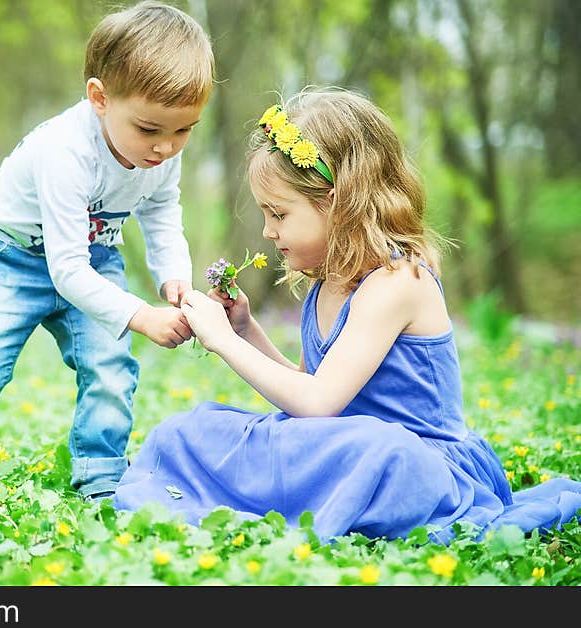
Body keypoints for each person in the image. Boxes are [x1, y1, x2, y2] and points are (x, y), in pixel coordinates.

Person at [113, 88, 581, 543]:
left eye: (278, 213)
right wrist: (246, 330)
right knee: (188, 431)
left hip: (419, 467)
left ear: (339, 201)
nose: (267, 230)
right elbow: (308, 387)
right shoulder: (327, 285)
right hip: (342, 448)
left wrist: (224, 341)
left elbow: (318, 404)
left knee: (377, 447)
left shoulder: (398, 282)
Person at [0, 1, 215, 501]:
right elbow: (65, 270)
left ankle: (102, 477)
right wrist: (141, 315)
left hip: (91, 257)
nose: (165, 147)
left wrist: (173, 276)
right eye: (149, 129)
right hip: (7, 256)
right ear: (99, 97)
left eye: (183, 130)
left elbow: (161, 212)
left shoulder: (161, 157)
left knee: (110, 368)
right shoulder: (64, 153)